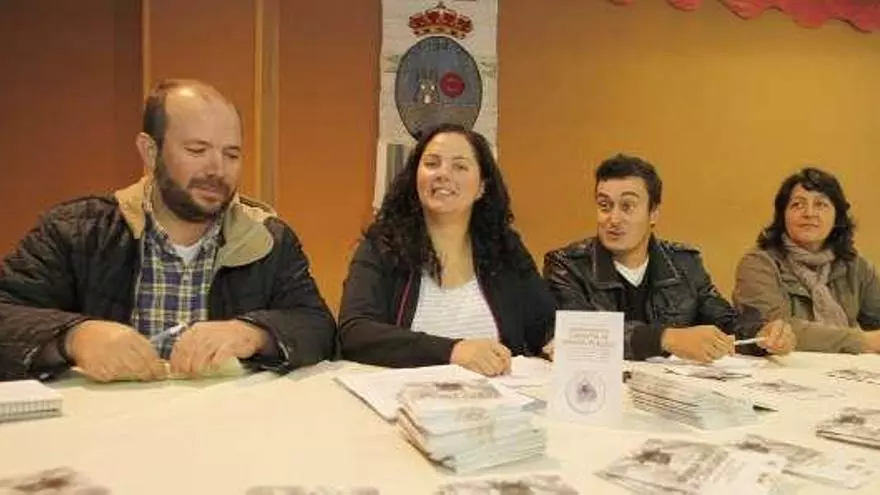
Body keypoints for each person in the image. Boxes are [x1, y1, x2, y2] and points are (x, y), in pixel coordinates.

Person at [0, 79, 336, 382]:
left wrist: (253, 333)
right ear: (150, 151)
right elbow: (8, 311)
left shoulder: (268, 239)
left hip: (224, 420)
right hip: (103, 422)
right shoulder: (76, 231)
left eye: (231, 155)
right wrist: (74, 337)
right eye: (197, 150)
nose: (217, 170)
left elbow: (318, 327)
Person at [338, 124, 555, 376]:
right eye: (432, 164)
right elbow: (355, 332)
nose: (443, 174)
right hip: (404, 395)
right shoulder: (381, 245)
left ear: (482, 187)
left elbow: (544, 323)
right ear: (415, 178)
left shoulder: (505, 248)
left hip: (496, 396)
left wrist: (559, 342)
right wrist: (453, 351)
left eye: (460, 166)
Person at [543, 154, 794, 362]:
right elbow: (578, 334)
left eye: (627, 206)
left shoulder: (684, 263)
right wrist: (666, 339)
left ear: (653, 213)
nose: (614, 219)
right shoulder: (567, 265)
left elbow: (726, 323)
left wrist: (763, 335)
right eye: (604, 206)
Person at [733, 167, 880, 353]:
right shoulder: (758, 263)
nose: (809, 213)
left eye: (820, 205)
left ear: (837, 217)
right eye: (797, 205)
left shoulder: (855, 266)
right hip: (784, 366)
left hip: (846, 367)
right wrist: (862, 341)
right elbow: (775, 330)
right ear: (782, 215)